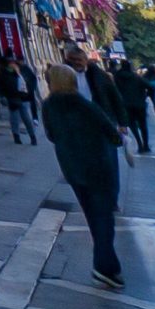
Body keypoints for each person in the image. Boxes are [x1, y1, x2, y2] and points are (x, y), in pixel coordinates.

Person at [41, 63, 126, 289]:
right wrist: (117, 139)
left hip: (72, 168)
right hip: (97, 166)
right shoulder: (84, 105)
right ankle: (103, 266)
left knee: (93, 216)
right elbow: (111, 132)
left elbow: (50, 135)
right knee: (104, 216)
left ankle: (108, 266)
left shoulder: (48, 106)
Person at [0, 56, 38, 145]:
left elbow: (30, 80)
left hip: (23, 97)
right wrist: (1, 96)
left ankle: (33, 136)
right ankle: (16, 136)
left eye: (12, 63)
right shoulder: (3, 73)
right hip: (11, 98)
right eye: (9, 63)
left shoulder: (21, 69)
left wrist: (30, 91)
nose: (11, 65)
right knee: (14, 118)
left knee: (26, 118)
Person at [112, 60, 153, 154]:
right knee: (143, 125)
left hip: (126, 105)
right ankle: (146, 145)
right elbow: (150, 86)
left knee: (132, 125)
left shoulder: (117, 78)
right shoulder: (136, 77)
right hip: (139, 104)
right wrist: (145, 96)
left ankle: (139, 143)